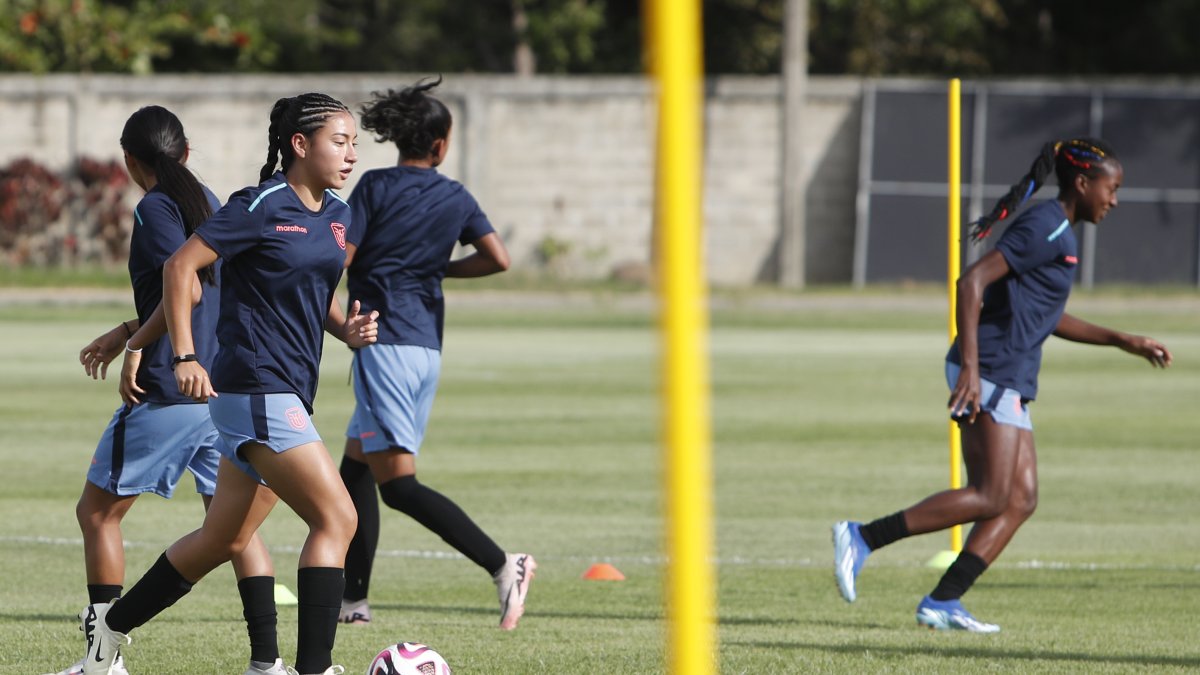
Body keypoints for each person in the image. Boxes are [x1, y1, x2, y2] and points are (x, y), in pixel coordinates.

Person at [79, 93, 378, 675]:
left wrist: (348, 329)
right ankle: (314, 669)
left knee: (223, 539)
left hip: (284, 390)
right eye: (339, 142)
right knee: (338, 519)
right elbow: (180, 268)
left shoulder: (340, 216)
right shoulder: (258, 204)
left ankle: (109, 632)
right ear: (300, 145)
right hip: (256, 390)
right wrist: (184, 356)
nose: (350, 155)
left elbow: (312, 290)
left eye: (354, 144)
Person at [832, 138, 1172, 632]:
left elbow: (1046, 316)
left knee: (1021, 498)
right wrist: (971, 368)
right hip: (990, 369)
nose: (1114, 200)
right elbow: (970, 283)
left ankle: (943, 601)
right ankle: (862, 537)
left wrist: (1122, 340)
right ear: (1082, 183)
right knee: (991, 495)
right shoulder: (1045, 226)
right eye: (1111, 188)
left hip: (1007, 372)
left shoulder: (1061, 232)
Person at [60, 105, 284, 675]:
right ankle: (268, 662)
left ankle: (103, 660)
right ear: (185, 152)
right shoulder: (208, 199)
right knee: (233, 528)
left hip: (172, 387)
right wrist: (125, 330)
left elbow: (190, 291)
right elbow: (204, 292)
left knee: (97, 514)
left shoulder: (155, 207)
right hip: (224, 389)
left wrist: (138, 347)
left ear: (130, 160)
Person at [335, 77, 535, 631]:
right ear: (441, 145)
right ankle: (353, 603)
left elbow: (341, 256)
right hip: (424, 347)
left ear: (400, 138)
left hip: (385, 344)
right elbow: (498, 258)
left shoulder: (375, 186)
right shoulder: (456, 196)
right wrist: (437, 268)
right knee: (355, 466)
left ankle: (504, 564)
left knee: (398, 486)